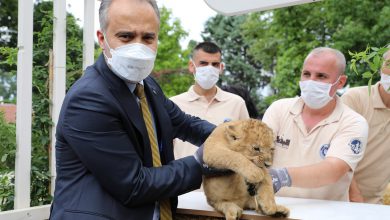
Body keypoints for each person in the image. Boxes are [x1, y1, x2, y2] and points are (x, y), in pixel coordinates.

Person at [49, 0, 219, 219]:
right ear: (102, 39)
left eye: (148, 38)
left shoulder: (146, 85)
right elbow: (134, 185)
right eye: (126, 37)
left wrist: (233, 137)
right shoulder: (89, 99)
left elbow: (184, 123)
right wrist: (202, 161)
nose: (138, 48)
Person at [264, 47, 369, 201]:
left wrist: (282, 176)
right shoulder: (279, 109)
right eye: (306, 74)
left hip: (327, 214)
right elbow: (256, 150)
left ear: (340, 82)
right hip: (275, 210)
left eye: (321, 76)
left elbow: (333, 170)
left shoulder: (353, 122)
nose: (311, 81)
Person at [170, 42, 249, 159]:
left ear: (221, 68)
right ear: (192, 66)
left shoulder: (237, 103)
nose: (209, 68)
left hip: (225, 176)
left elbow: (247, 146)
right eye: (203, 63)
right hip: (184, 176)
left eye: (215, 64)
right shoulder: (173, 104)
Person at [341, 48, 390, 204]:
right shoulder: (355, 99)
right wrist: (355, 196)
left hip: (375, 204)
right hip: (340, 200)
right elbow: (337, 152)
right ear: (380, 66)